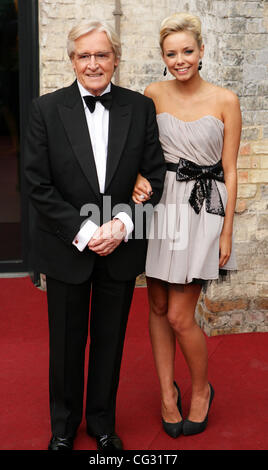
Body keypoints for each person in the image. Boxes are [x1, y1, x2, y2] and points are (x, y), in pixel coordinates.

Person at [24, 20, 165, 451]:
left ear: (115, 59)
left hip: (120, 248)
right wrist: (86, 230)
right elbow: (37, 184)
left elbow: (155, 176)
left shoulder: (139, 109)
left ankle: (102, 422)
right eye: (84, 55)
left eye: (101, 54)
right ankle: (63, 427)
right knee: (66, 344)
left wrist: (122, 226)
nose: (93, 63)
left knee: (110, 340)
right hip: (68, 246)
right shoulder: (45, 110)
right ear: (71, 60)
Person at [133, 12, 241, 437]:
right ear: (163, 57)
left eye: (188, 51)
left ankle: (200, 390)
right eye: (171, 53)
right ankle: (166, 394)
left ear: (201, 51)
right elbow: (141, 155)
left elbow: (230, 170)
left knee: (180, 315)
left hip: (203, 211)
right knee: (156, 306)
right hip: (161, 208)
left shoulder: (225, 99)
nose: (180, 60)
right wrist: (139, 178)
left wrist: (227, 231)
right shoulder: (152, 93)